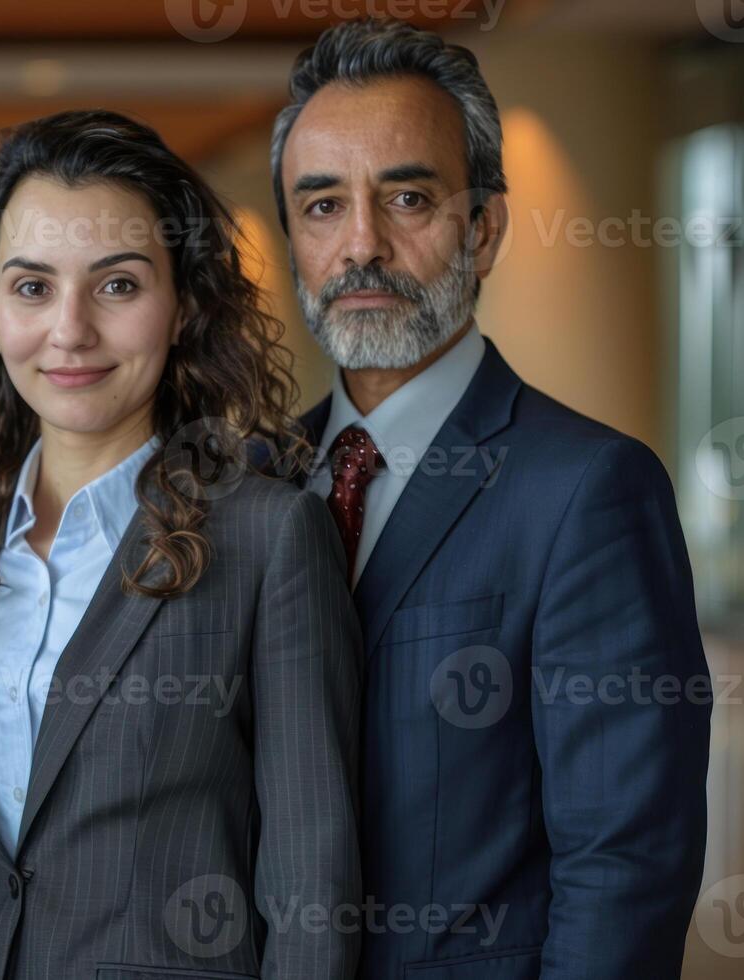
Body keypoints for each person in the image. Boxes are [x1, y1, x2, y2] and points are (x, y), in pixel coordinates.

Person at [271, 18, 712, 979]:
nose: (361, 246)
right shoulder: (254, 482)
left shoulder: (588, 489)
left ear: (485, 227)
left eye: (409, 198)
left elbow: (627, 869)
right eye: (321, 207)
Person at [0, 109, 363, 979]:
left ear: (181, 305)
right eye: (33, 287)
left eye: (117, 286)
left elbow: (312, 882)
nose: (69, 330)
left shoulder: (268, 538)